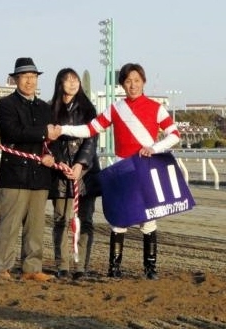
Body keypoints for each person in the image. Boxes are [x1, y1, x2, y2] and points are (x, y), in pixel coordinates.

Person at [58, 62, 180, 280]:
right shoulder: (116, 108)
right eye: (128, 81)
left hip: (145, 167)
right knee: (119, 218)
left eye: (136, 81)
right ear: (123, 84)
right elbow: (90, 129)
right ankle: (114, 268)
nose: (132, 85)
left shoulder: (156, 107)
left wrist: (154, 148)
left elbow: (174, 135)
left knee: (149, 219)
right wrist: (63, 129)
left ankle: (150, 269)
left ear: (143, 82)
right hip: (122, 170)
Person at [0, 57, 59, 282]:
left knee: (35, 226)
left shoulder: (44, 107)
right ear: (15, 80)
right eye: (25, 77)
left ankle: (32, 267)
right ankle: (3, 267)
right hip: (14, 175)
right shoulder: (5, 105)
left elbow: (53, 141)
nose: (30, 81)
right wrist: (44, 133)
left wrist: (52, 155)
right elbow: (13, 132)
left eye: (33, 77)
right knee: (9, 225)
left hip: (39, 176)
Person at [48, 68, 101, 280]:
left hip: (85, 173)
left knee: (85, 220)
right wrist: (60, 163)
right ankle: (63, 265)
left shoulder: (88, 110)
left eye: (75, 80)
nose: (72, 84)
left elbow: (91, 139)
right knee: (61, 219)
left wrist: (80, 164)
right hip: (60, 173)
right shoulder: (50, 109)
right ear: (59, 83)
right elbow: (48, 142)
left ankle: (80, 266)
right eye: (67, 80)